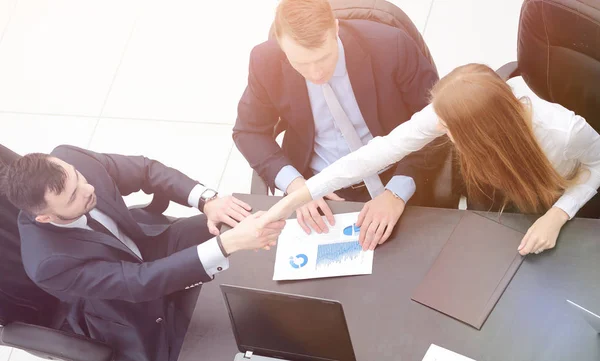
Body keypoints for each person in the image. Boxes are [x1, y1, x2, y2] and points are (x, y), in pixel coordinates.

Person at [261, 63, 600, 255]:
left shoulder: (562, 131)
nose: (440, 129)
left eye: (450, 129)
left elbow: (598, 165)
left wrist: (558, 215)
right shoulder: (450, 112)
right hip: (497, 186)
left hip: (555, 196)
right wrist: (290, 201)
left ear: (482, 131)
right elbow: (375, 154)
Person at [0, 145, 285, 361]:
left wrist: (207, 200)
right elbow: (138, 282)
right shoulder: (48, 263)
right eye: (73, 197)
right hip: (136, 312)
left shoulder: (71, 158)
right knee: (226, 344)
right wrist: (227, 246)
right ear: (46, 218)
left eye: (78, 178)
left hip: (149, 247)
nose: (88, 189)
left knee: (242, 220)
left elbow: (146, 170)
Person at [233, 0, 449, 247]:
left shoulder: (392, 47)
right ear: (281, 45)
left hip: (395, 172)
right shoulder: (264, 60)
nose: (315, 74)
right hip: (318, 190)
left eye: (323, 58)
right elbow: (248, 132)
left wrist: (396, 193)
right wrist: (297, 188)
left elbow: (438, 122)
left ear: (336, 29)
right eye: (301, 64)